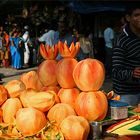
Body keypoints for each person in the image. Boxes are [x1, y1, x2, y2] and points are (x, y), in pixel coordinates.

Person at [112, 6, 140, 106]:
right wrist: (132, 73)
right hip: (126, 94)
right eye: (137, 15)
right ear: (128, 18)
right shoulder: (121, 41)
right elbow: (116, 71)